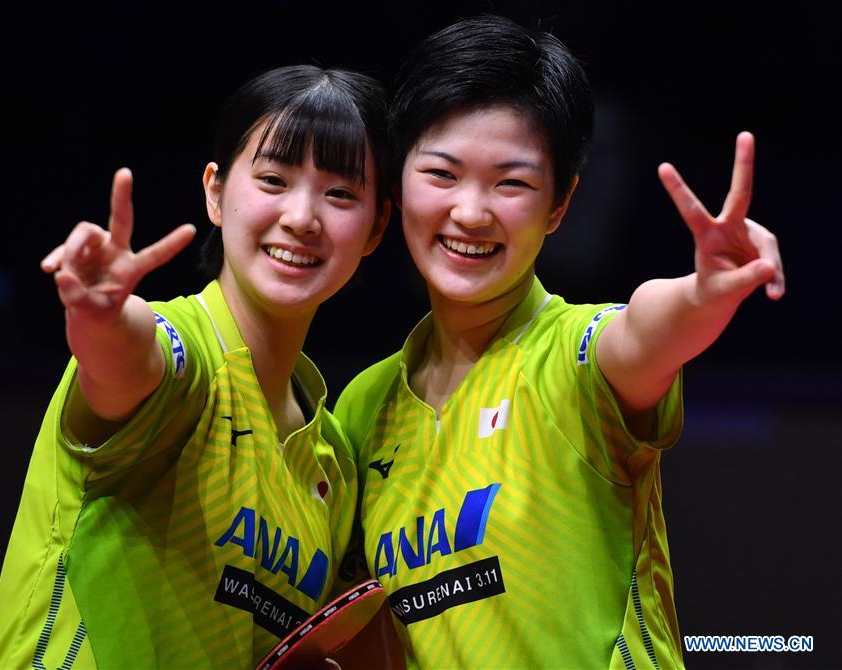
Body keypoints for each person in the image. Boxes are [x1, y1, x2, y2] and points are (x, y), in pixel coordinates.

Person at [334, 14, 785, 669]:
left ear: (559, 204)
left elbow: (644, 331)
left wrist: (704, 292)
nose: (470, 212)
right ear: (397, 180)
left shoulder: (576, 357)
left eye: (511, 182)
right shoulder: (362, 407)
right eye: (442, 174)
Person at [0, 64, 391, 669]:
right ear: (215, 192)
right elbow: (131, 359)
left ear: (377, 227)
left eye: (340, 194)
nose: (303, 217)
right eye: (274, 180)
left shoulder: (333, 462)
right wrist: (99, 318)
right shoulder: (184, 353)